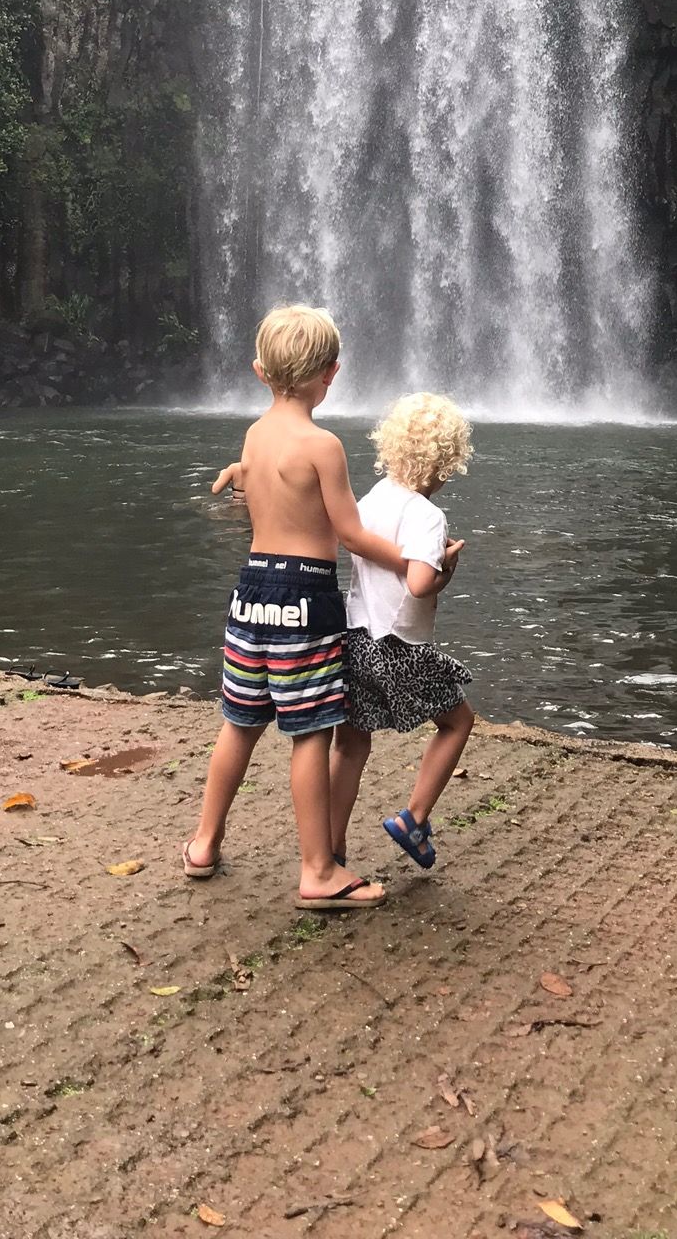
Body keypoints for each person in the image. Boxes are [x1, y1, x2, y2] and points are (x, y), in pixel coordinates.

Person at [184, 303, 406, 910]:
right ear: (330, 373)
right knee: (310, 734)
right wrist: (412, 563)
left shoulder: (255, 434)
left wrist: (236, 473)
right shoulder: (323, 445)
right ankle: (317, 871)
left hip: (250, 591)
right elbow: (351, 534)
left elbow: (256, 484)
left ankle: (204, 842)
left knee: (240, 723)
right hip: (306, 596)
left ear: (260, 371)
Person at [330, 392, 474, 872]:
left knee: (350, 742)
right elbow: (417, 585)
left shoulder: (371, 498)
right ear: (447, 462)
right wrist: (446, 568)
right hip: (400, 648)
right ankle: (413, 818)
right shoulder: (428, 516)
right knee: (457, 723)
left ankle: (331, 847)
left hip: (356, 639)